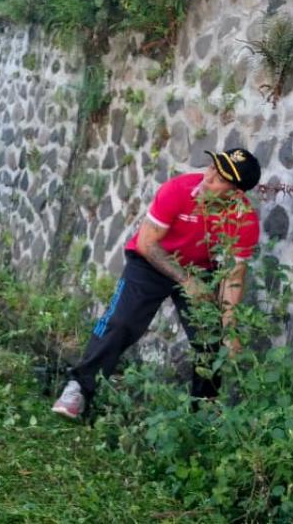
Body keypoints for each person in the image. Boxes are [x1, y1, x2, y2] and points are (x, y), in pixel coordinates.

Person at [52, 148, 262, 419]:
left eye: (220, 178)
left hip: (200, 270)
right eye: (212, 167)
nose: (208, 177)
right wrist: (186, 280)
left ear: (235, 193)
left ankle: (204, 414)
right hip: (151, 261)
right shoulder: (177, 190)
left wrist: (229, 328)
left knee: (211, 337)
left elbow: (233, 276)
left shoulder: (243, 218)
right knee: (121, 323)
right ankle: (78, 389)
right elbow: (147, 243)